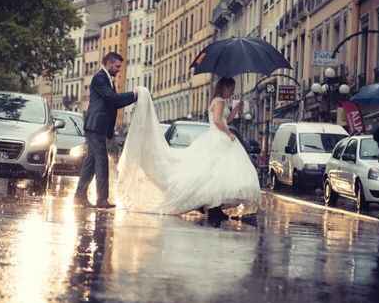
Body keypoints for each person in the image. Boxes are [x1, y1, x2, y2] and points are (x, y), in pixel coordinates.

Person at [116, 77, 261, 219]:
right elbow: (217, 121)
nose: (232, 92)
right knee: (217, 174)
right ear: (225, 87)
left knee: (213, 174)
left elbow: (224, 120)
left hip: (214, 137)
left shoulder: (217, 101)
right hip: (219, 138)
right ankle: (213, 207)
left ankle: (213, 207)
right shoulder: (220, 101)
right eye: (231, 89)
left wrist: (235, 110)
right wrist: (229, 133)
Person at [74, 52, 138, 209]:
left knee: (91, 162)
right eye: (117, 66)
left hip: (98, 127)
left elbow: (113, 104)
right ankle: (102, 199)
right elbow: (112, 99)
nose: (118, 70)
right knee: (101, 161)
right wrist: (134, 95)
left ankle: (79, 196)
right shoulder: (100, 78)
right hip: (95, 126)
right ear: (109, 63)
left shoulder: (107, 79)